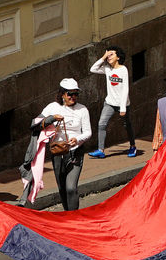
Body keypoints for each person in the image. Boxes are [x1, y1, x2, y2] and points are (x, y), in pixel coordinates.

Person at [40, 78, 91, 210]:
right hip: (58, 152)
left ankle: (75, 218)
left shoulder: (82, 110)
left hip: (75, 152)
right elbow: (36, 123)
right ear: (62, 94)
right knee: (62, 188)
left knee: (70, 187)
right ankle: (67, 216)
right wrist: (52, 118)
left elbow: (88, 132)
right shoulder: (52, 107)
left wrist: (77, 140)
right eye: (70, 94)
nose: (73, 97)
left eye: (76, 94)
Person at [89, 46, 137, 159]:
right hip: (109, 103)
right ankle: (101, 150)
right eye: (108, 55)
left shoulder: (123, 69)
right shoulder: (107, 69)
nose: (109, 57)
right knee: (101, 124)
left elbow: (125, 89)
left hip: (123, 104)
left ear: (118, 57)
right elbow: (93, 69)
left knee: (127, 125)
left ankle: (133, 146)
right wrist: (103, 57)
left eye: (111, 54)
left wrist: (123, 108)